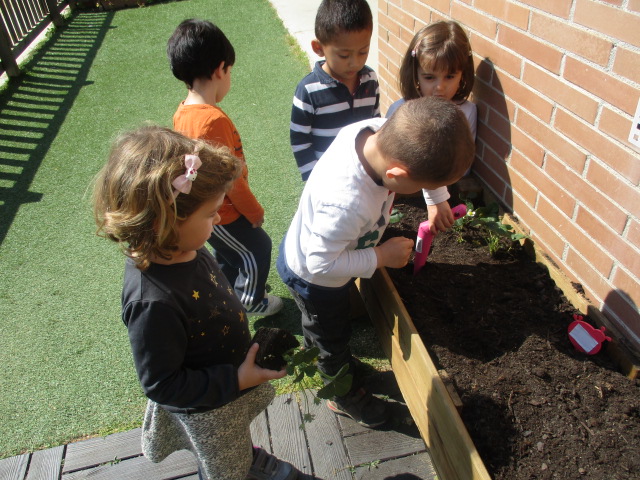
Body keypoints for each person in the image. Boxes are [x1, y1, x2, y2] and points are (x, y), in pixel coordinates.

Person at [93, 126, 298, 480]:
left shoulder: (185, 246)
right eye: (210, 214)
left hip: (226, 386)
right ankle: (240, 469)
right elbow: (162, 384)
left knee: (235, 448)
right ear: (164, 221)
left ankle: (246, 460)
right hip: (208, 409)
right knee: (224, 468)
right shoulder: (152, 302)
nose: (218, 219)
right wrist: (235, 379)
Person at [277, 97, 475, 428]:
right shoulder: (345, 203)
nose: (425, 190)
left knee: (329, 330)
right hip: (314, 279)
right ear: (397, 174)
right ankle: (342, 394)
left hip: (328, 252)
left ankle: (340, 365)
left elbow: (422, 157)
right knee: (331, 335)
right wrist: (380, 257)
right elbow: (318, 266)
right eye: (422, 186)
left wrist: (437, 198)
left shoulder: (377, 132)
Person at [168, 19, 283, 317]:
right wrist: (254, 211)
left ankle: (224, 294)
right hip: (225, 211)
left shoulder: (183, 111)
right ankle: (250, 300)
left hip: (206, 209)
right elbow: (231, 180)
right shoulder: (212, 120)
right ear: (221, 69)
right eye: (229, 71)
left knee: (228, 255)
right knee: (258, 247)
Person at [387, 20, 477, 234]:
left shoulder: (467, 111)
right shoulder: (401, 111)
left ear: (463, 74)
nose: (440, 87)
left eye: (450, 76)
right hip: (403, 192)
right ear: (415, 74)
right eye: (429, 77)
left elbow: (463, 168)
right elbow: (391, 166)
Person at [290, 0, 380, 181]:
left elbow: (375, 123)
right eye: (344, 55)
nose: (355, 62)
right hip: (327, 180)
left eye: (363, 52)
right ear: (319, 48)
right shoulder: (309, 90)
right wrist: (313, 179)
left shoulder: (370, 79)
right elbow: (300, 140)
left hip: (363, 176)